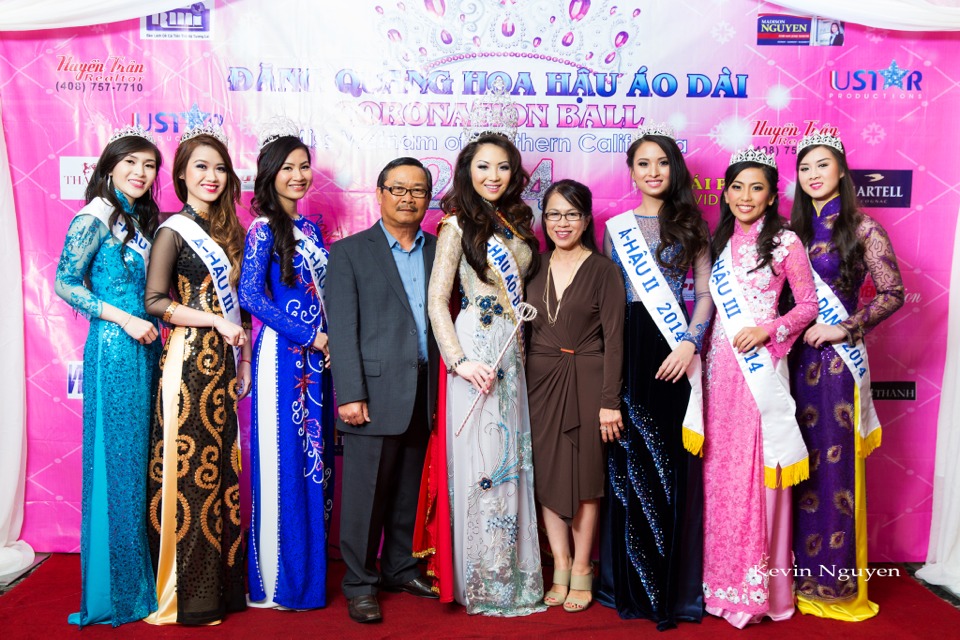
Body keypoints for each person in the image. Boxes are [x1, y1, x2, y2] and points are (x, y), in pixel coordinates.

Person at [597, 125, 712, 629]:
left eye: (662, 162)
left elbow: (705, 293)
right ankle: (627, 581)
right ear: (632, 170)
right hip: (628, 346)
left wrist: (690, 342)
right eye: (643, 163)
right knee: (627, 464)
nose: (653, 172)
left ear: (674, 168)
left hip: (674, 350)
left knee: (666, 465)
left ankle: (666, 585)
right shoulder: (615, 227)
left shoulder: (692, 224)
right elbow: (607, 299)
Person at [426, 132, 545, 616]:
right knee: (481, 457)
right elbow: (436, 299)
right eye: (483, 167)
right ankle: (481, 574)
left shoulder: (519, 223)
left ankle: (511, 572)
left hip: (511, 350)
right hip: (475, 343)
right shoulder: (456, 226)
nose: (492, 177)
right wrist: (458, 360)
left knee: (511, 454)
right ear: (467, 171)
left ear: (514, 174)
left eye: (502, 168)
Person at [789, 133, 903, 621]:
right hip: (788, 362)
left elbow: (893, 292)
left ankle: (833, 586)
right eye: (804, 168)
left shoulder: (862, 227)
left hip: (835, 368)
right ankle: (785, 581)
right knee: (792, 466)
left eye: (822, 165)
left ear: (840, 172)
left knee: (832, 471)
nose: (813, 175)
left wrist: (845, 325)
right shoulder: (788, 229)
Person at [701, 148, 817, 628]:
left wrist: (769, 329)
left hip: (761, 368)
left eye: (757, 188)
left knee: (758, 469)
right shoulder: (719, 240)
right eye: (737, 187)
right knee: (722, 474)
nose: (745, 196)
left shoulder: (787, 242)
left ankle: (757, 589)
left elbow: (807, 306)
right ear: (725, 194)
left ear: (771, 197)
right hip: (719, 369)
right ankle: (718, 582)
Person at [54, 125, 162, 627]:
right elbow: (63, 283)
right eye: (131, 164)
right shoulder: (93, 217)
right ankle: (117, 595)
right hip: (116, 352)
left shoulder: (139, 219)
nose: (141, 173)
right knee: (116, 466)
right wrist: (122, 318)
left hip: (147, 352)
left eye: (149, 165)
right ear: (109, 167)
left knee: (139, 468)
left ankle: (139, 583)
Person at [326, 157, 440, 624]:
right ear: (379, 193)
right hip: (372, 392)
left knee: (408, 491)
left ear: (428, 199)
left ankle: (399, 567)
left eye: (418, 190)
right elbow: (344, 329)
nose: (408, 198)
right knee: (365, 494)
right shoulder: (352, 252)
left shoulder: (440, 248)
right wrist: (350, 393)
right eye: (398, 189)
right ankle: (359, 582)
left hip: (428, 390)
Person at [144, 128, 250, 625]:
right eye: (201, 167)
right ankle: (188, 595)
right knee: (189, 478)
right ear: (182, 173)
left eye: (220, 168)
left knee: (220, 475)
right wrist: (212, 319)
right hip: (187, 368)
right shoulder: (172, 231)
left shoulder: (233, 231)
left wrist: (245, 360)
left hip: (224, 370)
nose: (211, 177)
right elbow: (156, 303)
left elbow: (241, 308)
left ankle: (222, 588)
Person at [239, 131, 334, 610]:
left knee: (314, 465)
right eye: (287, 168)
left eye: (304, 166)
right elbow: (251, 297)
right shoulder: (262, 229)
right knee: (284, 464)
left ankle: (307, 575)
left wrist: (329, 339)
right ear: (270, 174)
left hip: (317, 360)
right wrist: (307, 335)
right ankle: (278, 582)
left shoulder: (312, 231)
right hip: (282, 357)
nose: (298, 176)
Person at [525, 179, 624, 613]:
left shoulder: (602, 269)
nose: (561, 223)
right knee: (546, 476)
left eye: (570, 214)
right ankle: (560, 564)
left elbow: (615, 340)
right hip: (539, 380)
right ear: (543, 220)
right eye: (552, 214)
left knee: (586, 479)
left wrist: (610, 400)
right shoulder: (533, 264)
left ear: (586, 220)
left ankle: (583, 568)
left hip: (588, 378)